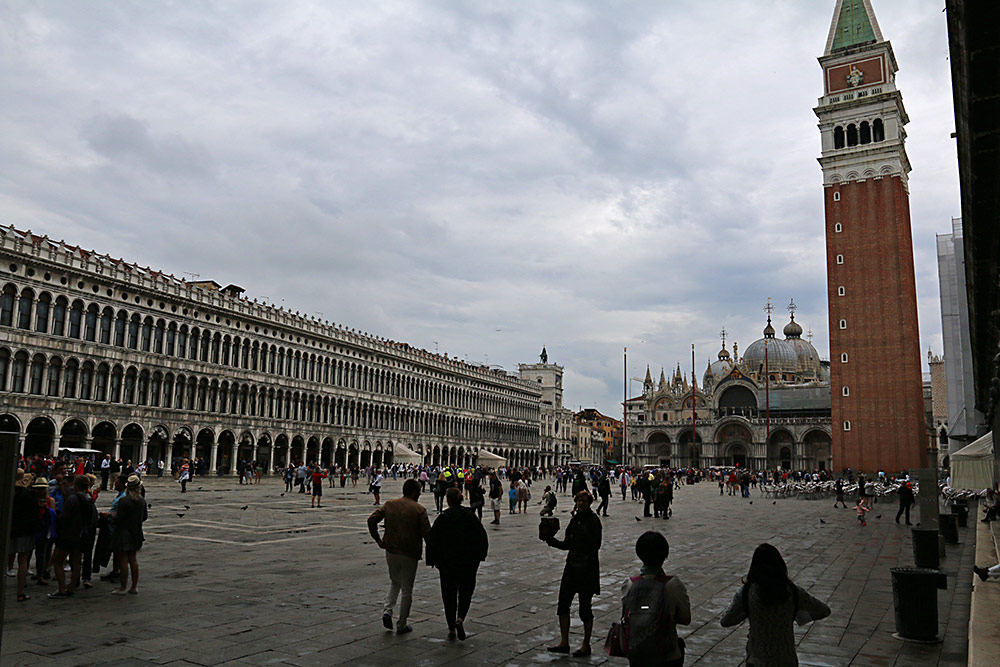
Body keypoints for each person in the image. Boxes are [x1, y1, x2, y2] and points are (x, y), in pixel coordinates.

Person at [721, 543, 830, 667]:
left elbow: (726, 621)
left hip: (757, 659)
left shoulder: (747, 592)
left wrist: (748, 611)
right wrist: (795, 615)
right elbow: (823, 610)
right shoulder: (792, 591)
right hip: (786, 659)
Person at [367, 479, 431, 635]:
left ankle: (387, 611)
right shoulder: (419, 509)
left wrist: (378, 540)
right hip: (410, 552)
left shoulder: (390, 504)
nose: (420, 494)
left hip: (391, 550)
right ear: (414, 492)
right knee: (407, 589)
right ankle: (401, 624)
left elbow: (371, 520)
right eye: (419, 491)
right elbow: (428, 535)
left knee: (395, 581)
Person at [544, 490, 602, 657]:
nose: (580, 503)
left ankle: (586, 644)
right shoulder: (574, 520)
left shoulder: (593, 521)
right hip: (571, 567)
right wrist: (551, 540)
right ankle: (564, 642)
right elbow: (567, 544)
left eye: (584, 501)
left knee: (585, 609)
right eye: (578, 501)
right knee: (563, 605)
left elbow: (596, 545)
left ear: (589, 503)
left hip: (587, 569)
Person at [426, 487, 489, 640]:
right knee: (466, 592)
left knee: (449, 594)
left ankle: (451, 628)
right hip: (468, 562)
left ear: (448, 500)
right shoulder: (470, 516)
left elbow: (432, 540)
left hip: (447, 563)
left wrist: (432, 560)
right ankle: (460, 619)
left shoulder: (443, 518)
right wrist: (480, 556)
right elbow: (482, 537)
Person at [619, 531, 690, 666]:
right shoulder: (673, 585)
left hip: (637, 652)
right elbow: (685, 618)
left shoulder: (629, 584)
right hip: (667, 654)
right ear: (665, 555)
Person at [47, 475, 97, 600]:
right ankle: (72, 588)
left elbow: (64, 518)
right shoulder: (88, 499)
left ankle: (61, 589)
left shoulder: (72, 499)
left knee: (57, 561)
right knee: (76, 563)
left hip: (68, 534)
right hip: (81, 534)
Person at [110, 475, 147, 594]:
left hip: (123, 533)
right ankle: (134, 587)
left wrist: (112, 516)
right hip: (136, 532)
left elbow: (118, 519)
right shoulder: (142, 500)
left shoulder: (124, 501)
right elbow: (144, 517)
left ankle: (123, 587)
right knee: (133, 559)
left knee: (123, 560)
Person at [9, 471, 41, 602]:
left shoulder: (9, 491)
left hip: (9, 529)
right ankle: (20, 592)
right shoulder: (28, 494)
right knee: (23, 560)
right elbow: (35, 513)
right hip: (24, 530)